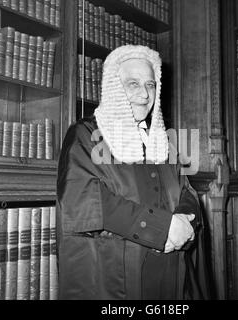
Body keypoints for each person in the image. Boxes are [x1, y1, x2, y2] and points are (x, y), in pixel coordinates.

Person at [56, 45, 210, 300]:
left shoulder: (163, 141)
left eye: (150, 85)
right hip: (115, 279)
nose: (144, 94)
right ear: (115, 88)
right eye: (133, 84)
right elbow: (85, 201)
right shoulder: (85, 135)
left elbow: (187, 192)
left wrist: (184, 223)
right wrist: (163, 229)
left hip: (171, 274)